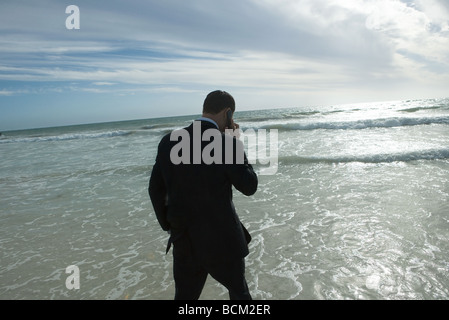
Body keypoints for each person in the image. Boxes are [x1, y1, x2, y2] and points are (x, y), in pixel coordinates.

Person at [148, 90, 258, 300]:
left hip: (184, 239)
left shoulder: (169, 142)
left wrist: (170, 225)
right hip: (222, 240)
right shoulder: (226, 143)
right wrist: (235, 141)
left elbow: (155, 189)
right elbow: (249, 186)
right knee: (239, 295)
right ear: (227, 113)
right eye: (231, 116)